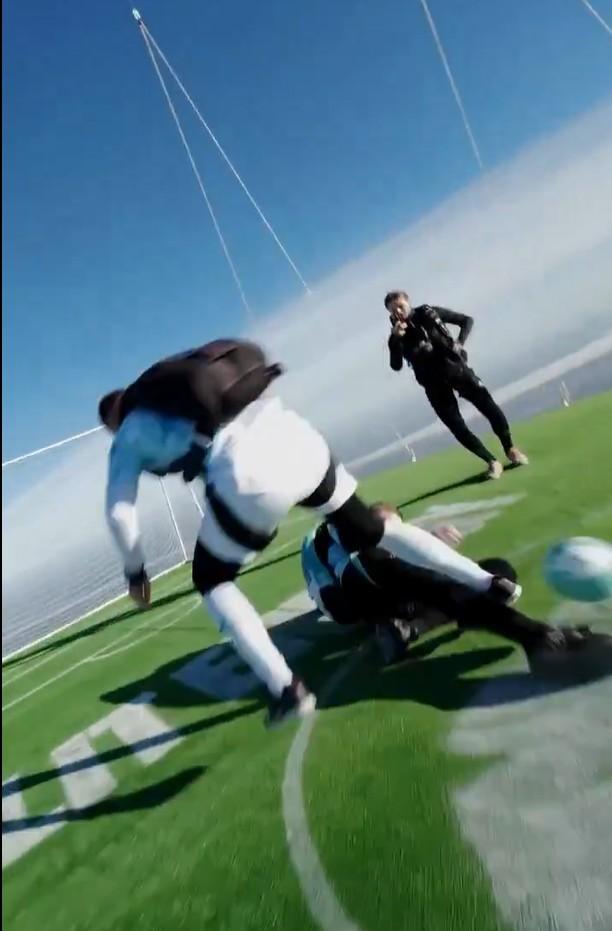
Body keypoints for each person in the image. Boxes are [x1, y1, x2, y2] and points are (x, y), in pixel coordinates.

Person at [99, 338, 521, 727]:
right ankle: (487, 582)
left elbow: (119, 514)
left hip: (245, 477)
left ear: (114, 419)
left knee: (212, 580)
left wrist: (136, 573)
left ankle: (286, 689)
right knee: (373, 529)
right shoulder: (175, 374)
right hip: (296, 440)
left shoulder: (129, 434)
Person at [301, 504, 602, 669]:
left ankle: (408, 628)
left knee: (493, 571)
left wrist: (428, 544)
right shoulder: (339, 544)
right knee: (462, 582)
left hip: (386, 597)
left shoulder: (359, 537)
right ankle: (537, 637)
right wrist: (480, 581)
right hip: (362, 601)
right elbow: (344, 605)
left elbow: (399, 554)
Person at [384, 291, 528, 479]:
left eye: (400, 306)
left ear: (408, 303)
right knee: (457, 426)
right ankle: (491, 461)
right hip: (433, 384)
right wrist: (396, 339)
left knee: (489, 407)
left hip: (457, 370)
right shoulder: (396, 336)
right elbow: (396, 366)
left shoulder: (429, 313)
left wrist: (460, 343)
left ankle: (510, 449)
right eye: (393, 310)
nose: (398, 312)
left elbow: (466, 320)